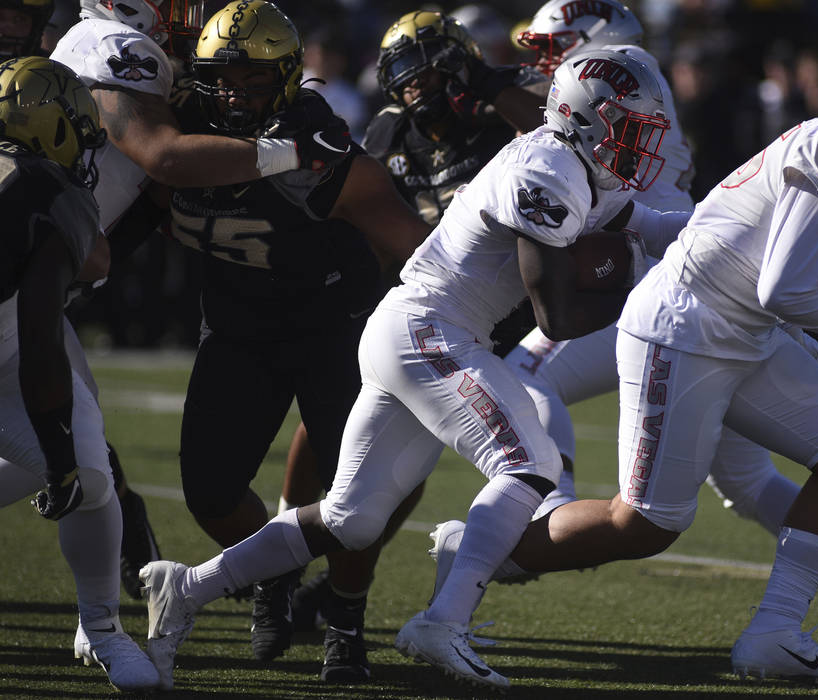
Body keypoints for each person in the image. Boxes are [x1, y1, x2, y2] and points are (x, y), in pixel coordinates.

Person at [431, 44, 818, 686]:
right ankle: (478, 552)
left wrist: (799, 334)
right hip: (684, 329)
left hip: (740, 326)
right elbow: (786, 288)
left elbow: (769, 283)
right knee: (643, 523)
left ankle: (776, 632)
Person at [138, 45, 686, 691]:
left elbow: (656, 224)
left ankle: (187, 588)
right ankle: (444, 621)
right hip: (432, 329)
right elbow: (557, 317)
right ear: (588, 118)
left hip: (413, 329)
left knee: (350, 517)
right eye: (630, 127)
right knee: (530, 463)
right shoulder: (549, 167)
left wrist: (733, 232)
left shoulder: (575, 163)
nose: (639, 144)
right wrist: (648, 291)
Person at [117, 0, 428, 689]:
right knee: (210, 491)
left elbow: (413, 243)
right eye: (220, 78)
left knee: (358, 492)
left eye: (251, 79)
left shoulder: (321, 150)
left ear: (287, 77)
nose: (231, 93)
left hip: (333, 329)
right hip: (237, 328)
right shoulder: (184, 122)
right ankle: (275, 572)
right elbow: (157, 163)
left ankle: (345, 620)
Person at [278, 9, 548, 681]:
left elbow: (552, 138)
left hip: (497, 321)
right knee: (325, 422)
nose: (420, 88)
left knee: (407, 477)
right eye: (407, 76)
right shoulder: (387, 133)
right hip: (416, 307)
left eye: (433, 72)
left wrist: (487, 82)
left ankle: (334, 589)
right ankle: (283, 566)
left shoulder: (502, 113)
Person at [48, 0, 342, 601]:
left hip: (44, 280)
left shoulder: (131, 59)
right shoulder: (111, 45)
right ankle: (117, 610)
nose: (187, 12)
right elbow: (166, 159)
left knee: (82, 463)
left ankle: (109, 616)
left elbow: (146, 199)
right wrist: (291, 152)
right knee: (67, 462)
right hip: (23, 275)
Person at [0, 55, 159, 692]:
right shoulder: (45, 190)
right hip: (18, 348)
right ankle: (101, 626)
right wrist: (59, 457)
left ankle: (100, 629)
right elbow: (41, 329)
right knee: (85, 476)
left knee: (89, 475)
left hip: (8, 348)